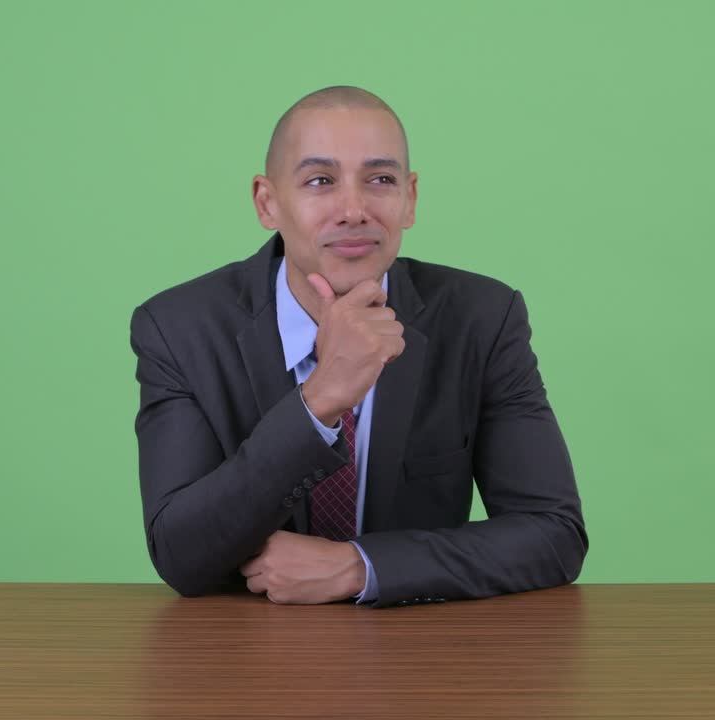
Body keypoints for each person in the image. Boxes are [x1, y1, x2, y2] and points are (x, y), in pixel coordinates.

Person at [130, 86, 587, 608]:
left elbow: (554, 535)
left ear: (410, 199)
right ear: (267, 202)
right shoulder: (178, 329)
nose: (353, 210)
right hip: (244, 645)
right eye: (320, 181)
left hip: (420, 643)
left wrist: (359, 566)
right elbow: (180, 555)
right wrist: (319, 400)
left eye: (381, 180)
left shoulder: (482, 319)